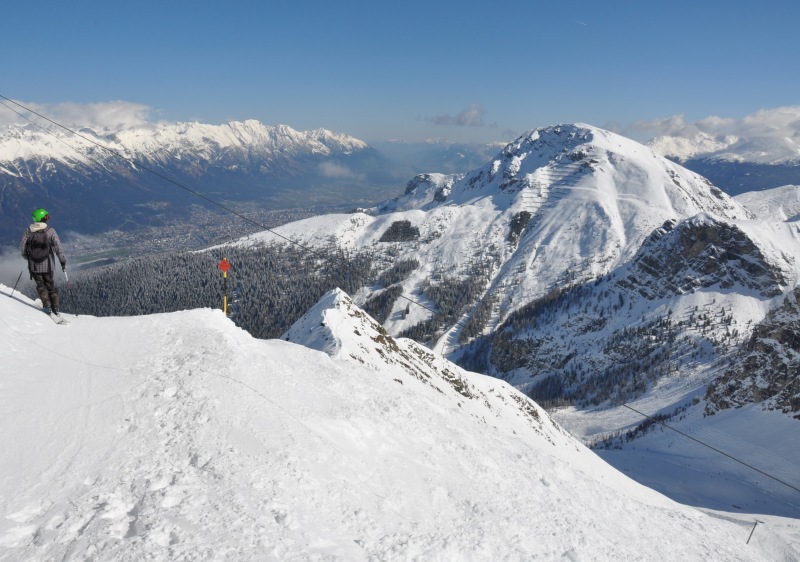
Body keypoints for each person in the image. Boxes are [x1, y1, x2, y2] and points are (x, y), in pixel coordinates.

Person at [19, 208, 67, 316]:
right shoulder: (50, 231)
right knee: (50, 286)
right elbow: (58, 248)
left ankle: (47, 306)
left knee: (41, 286)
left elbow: (22, 247)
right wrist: (62, 261)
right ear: (44, 218)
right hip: (48, 265)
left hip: (34, 266)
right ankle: (56, 307)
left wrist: (26, 257)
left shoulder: (28, 230)